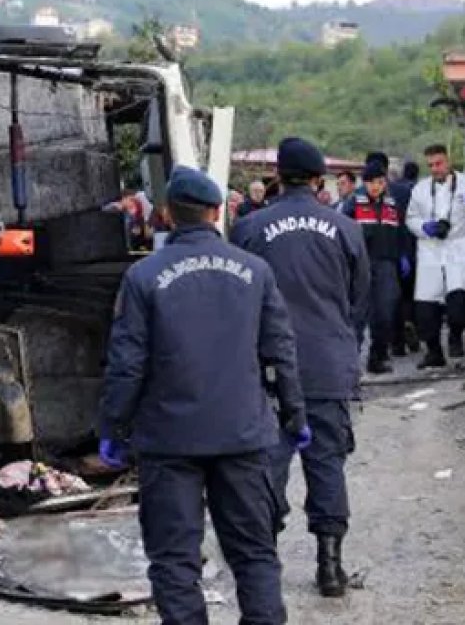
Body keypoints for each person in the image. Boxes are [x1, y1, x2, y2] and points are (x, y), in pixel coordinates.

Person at [99, 165, 308, 625]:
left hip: (169, 440)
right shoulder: (255, 272)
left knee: (174, 559)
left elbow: (127, 363)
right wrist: (295, 416)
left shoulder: (143, 276)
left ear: (168, 214)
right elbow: (281, 352)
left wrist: (113, 427)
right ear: (217, 212)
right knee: (254, 552)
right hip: (242, 434)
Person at [230, 137, 369, 599]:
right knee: (327, 462)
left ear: (277, 176)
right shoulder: (346, 228)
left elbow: (237, 299)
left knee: (267, 464)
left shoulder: (249, 228)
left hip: (267, 368)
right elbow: (359, 301)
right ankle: (330, 566)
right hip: (328, 363)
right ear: (317, 180)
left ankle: (263, 562)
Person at [406, 144, 465, 368]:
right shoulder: (420, 189)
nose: (435, 169)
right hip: (431, 250)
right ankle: (434, 353)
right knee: (426, 308)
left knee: (458, 305)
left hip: (459, 248)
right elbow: (411, 218)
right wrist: (425, 227)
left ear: (449, 160)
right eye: (431, 165)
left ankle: (456, 336)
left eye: (439, 163)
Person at [340, 162, 405, 374]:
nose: (376, 186)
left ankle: (378, 357)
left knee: (385, 313)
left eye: (380, 182)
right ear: (364, 183)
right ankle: (350, 363)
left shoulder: (392, 204)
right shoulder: (353, 203)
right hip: (360, 265)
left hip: (386, 265)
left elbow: (400, 232)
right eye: (371, 182)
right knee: (357, 315)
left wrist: (402, 256)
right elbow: (342, 234)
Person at [388, 161, 421, 357]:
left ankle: (397, 343)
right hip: (411, 249)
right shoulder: (411, 191)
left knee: (393, 297)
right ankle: (410, 322)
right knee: (410, 295)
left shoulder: (384, 194)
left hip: (390, 251)